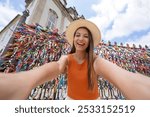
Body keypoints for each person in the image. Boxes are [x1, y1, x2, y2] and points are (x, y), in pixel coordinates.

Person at [0, 19, 150, 100]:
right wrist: (23, 81)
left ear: (90, 41)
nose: (81, 39)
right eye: (78, 35)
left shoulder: (96, 61)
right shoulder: (66, 58)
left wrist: (138, 87)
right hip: (70, 102)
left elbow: (122, 76)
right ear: (73, 39)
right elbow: (56, 67)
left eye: (86, 36)